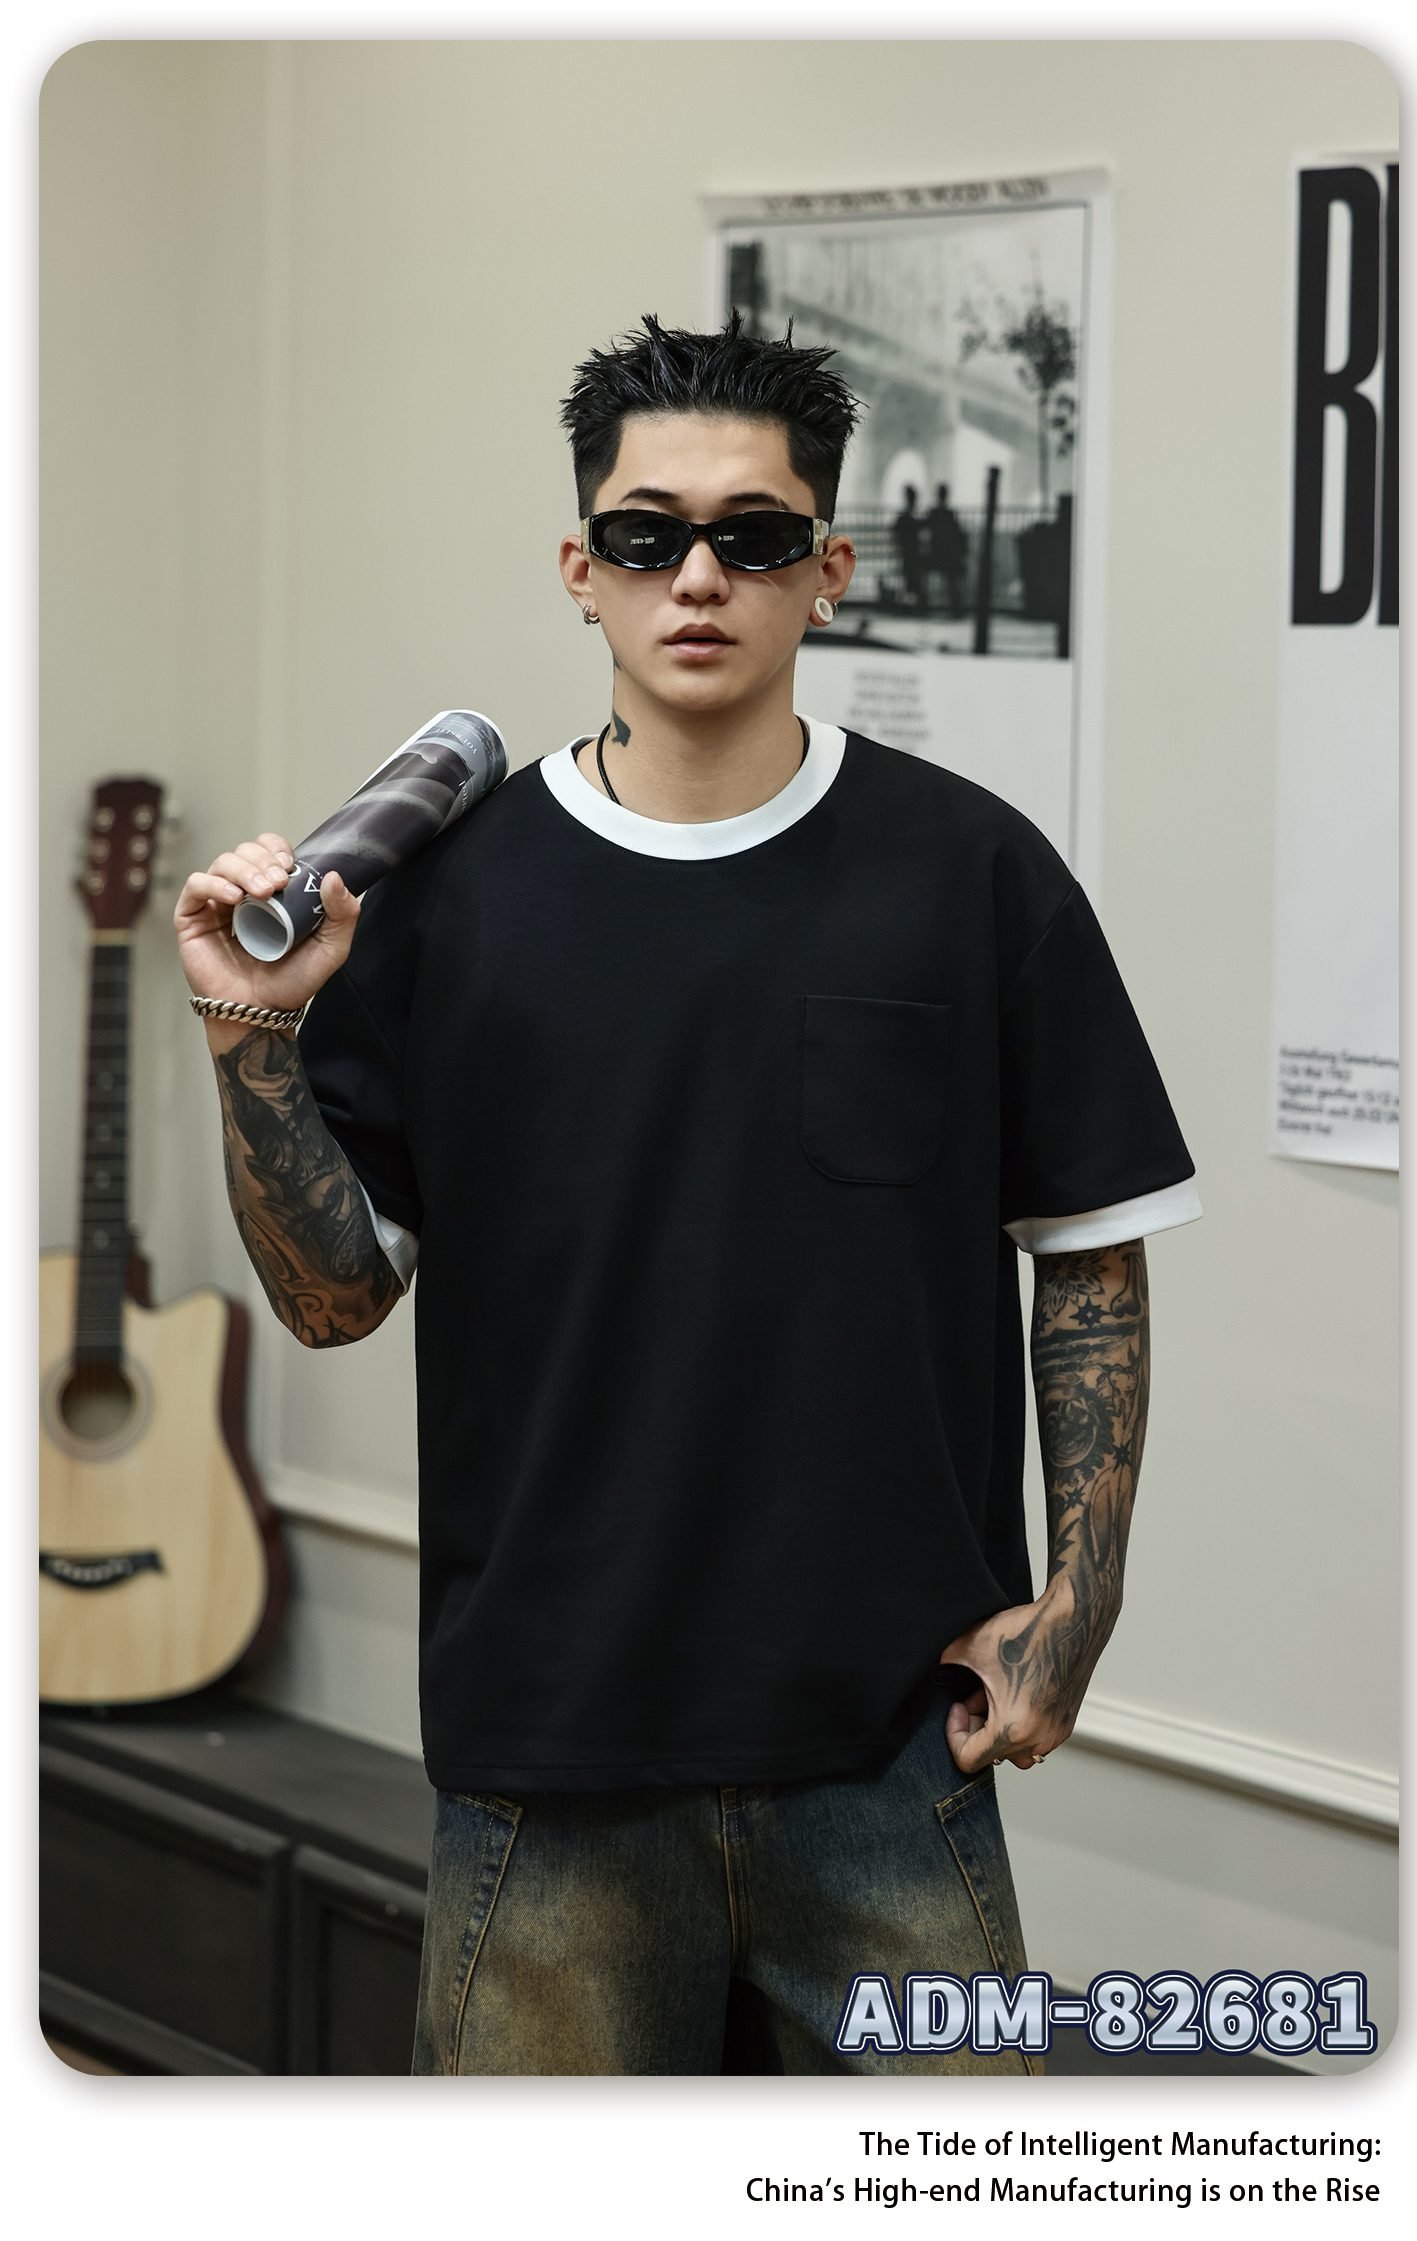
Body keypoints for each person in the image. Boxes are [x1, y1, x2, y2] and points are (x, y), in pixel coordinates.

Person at [174, 311, 1201, 2077]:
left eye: (755, 534)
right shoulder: (449, 899)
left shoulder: (972, 874)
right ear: (582, 571)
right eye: (647, 535)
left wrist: (1077, 1606)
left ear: (829, 571)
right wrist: (249, 1035)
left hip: (891, 1751)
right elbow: (334, 1300)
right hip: (547, 1762)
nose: (699, 577)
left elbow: (1089, 1258)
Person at [924, 480, 968, 618]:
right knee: (952, 580)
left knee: (924, 574)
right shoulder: (950, 514)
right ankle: (956, 609)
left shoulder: (933, 512)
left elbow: (925, 528)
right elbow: (958, 533)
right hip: (949, 555)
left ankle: (924, 606)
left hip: (936, 554)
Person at [891, 481, 929, 612]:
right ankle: (917, 603)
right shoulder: (912, 517)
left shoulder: (903, 517)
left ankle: (909, 603)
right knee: (915, 575)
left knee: (910, 575)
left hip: (906, 553)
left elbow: (896, 532)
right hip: (914, 553)